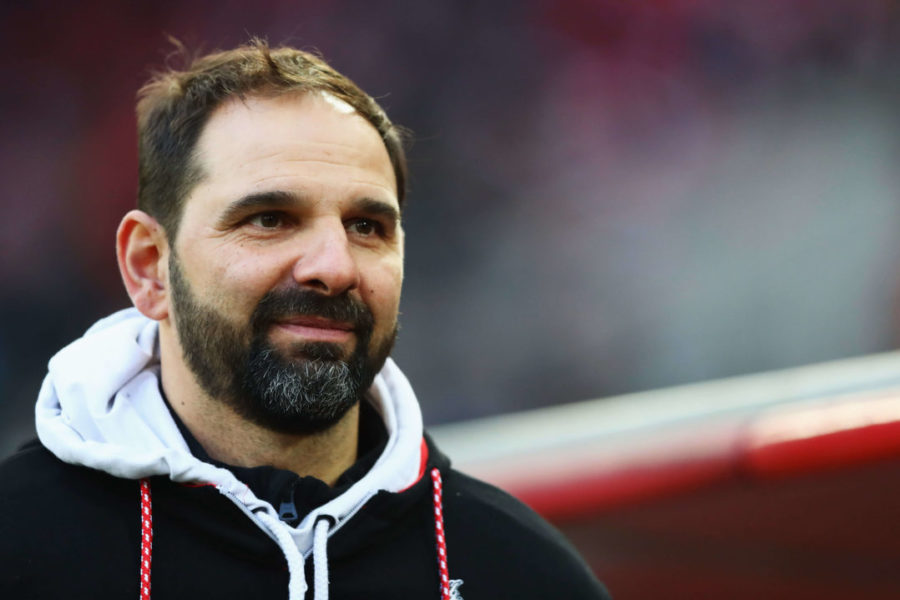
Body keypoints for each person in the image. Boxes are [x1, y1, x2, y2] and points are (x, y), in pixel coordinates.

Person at [0, 40, 610, 600]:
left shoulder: (524, 574)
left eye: (367, 227)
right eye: (270, 218)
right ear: (150, 268)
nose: (334, 267)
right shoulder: (21, 547)